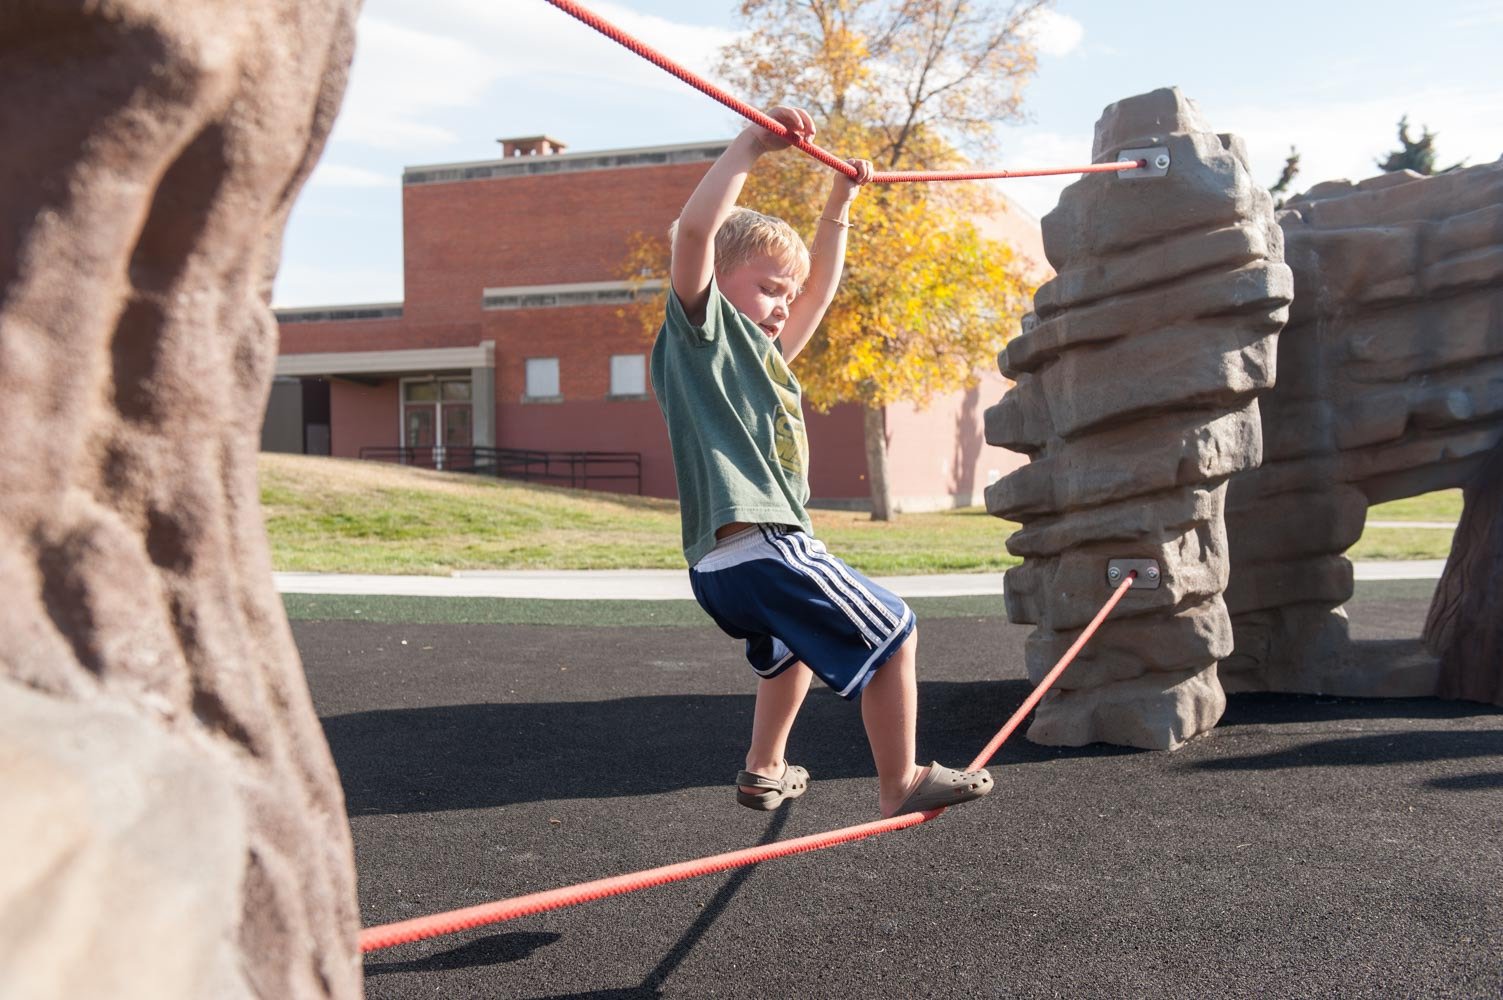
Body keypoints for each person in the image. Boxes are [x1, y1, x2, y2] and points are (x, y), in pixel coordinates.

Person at [649, 106, 995, 819]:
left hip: (721, 567)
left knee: (791, 653)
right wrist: (751, 145)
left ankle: (763, 768)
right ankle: (898, 780)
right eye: (767, 288)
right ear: (717, 279)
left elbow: (821, 292)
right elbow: (693, 233)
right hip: (761, 544)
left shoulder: (763, 361)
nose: (782, 307)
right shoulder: (700, 332)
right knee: (894, 628)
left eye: (786, 294)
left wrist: (840, 205)